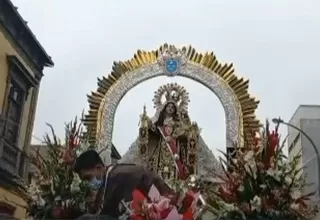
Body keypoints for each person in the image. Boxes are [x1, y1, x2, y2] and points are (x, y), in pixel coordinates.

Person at [73, 149, 176, 219]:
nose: (89, 183)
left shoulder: (120, 177)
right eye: (85, 181)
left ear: (99, 168)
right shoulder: (107, 183)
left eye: (88, 178)